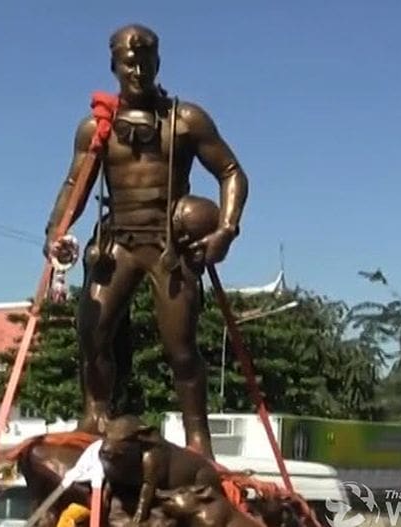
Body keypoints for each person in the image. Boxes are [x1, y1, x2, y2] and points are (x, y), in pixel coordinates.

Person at [43, 23, 248, 458]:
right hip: (117, 241)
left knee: (180, 348)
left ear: (159, 62)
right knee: (92, 334)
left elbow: (231, 172)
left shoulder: (185, 119)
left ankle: (198, 438)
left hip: (168, 245)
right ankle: (95, 415)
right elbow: (73, 185)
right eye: (128, 61)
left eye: (145, 60)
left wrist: (225, 230)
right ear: (114, 65)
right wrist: (55, 233)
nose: (137, 69)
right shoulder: (96, 127)